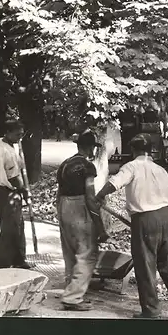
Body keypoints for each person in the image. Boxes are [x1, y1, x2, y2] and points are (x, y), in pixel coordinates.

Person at [95, 134, 168, 320]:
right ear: (151, 151)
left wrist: (99, 195)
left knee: (146, 266)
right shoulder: (161, 170)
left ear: (134, 150)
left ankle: (151, 310)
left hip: (146, 220)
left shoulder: (131, 166)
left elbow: (114, 183)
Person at [56, 129, 109, 311]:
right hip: (80, 207)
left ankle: (71, 286)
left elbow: (59, 193)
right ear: (90, 148)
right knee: (87, 253)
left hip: (63, 207)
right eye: (93, 147)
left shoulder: (65, 164)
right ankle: (72, 298)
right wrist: (100, 227)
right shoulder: (88, 167)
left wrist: (61, 215)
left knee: (70, 250)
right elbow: (90, 196)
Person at [0, 120, 32, 270]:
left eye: (22, 135)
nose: (20, 138)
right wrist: (25, 191)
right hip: (8, 193)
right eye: (17, 135)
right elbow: (14, 177)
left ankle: (18, 259)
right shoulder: (6, 151)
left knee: (18, 225)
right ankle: (2, 264)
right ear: (7, 132)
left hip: (0, 192)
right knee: (10, 229)